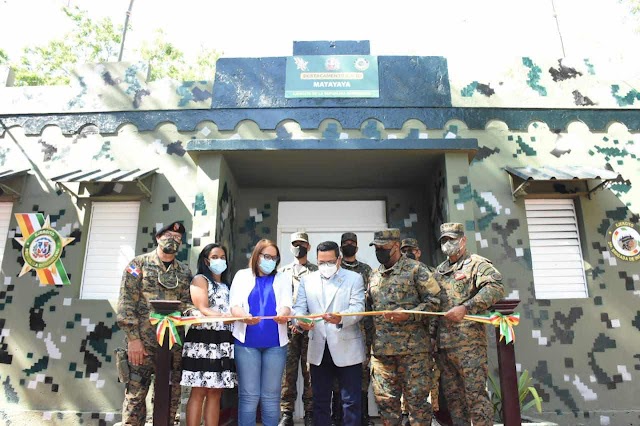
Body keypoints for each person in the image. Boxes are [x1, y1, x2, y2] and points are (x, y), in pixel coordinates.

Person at [116, 221, 193, 426]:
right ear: (158, 238)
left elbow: (186, 303)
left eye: (178, 238)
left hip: (172, 345)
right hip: (143, 344)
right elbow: (126, 304)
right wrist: (133, 340)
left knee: (169, 396)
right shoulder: (138, 265)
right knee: (135, 397)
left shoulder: (184, 272)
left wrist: (194, 312)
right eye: (168, 235)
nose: (173, 240)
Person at [432, 223, 505, 426]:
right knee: (455, 399)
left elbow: (496, 287)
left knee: (475, 396)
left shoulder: (476, 264)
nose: (447, 244)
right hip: (445, 346)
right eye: (444, 240)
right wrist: (432, 338)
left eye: (452, 240)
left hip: (469, 344)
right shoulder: (440, 270)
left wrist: (467, 307)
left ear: (463, 240)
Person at [367, 229, 441, 426]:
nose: (379, 251)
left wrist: (409, 314)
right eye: (377, 248)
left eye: (384, 248)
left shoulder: (417, 270)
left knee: (418, 405)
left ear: (396, 246)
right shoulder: (374, 276)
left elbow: (435, 302)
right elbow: (368, 312)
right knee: (386, 405)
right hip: (382, 354)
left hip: (413, 352)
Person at [293, 241, 365, 426]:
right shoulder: (307, 280)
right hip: (318, 349)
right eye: (321, 262)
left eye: (330, 262)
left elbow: (358, 308)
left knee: (351, 402)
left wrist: (341, 318)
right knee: (320, 402)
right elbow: (299, 309)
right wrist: (301, 322)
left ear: (339, 260)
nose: (326, 266)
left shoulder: (354, 278)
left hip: (347, 346)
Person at [230, 239, 293, 426]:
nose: (271, 261)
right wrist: (242, 316)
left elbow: (287, 305)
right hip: (246, 344)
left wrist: (284, 314)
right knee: (249, 396)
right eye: (267, 256)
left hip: (275, 344)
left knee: (271, 397)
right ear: (257, 256)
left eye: (274, 257)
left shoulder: (283, 278)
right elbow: (234, 305)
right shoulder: (241, 276)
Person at [181, 243, 236, 426]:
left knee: (216, 391)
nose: (219, 260)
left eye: (222, 257)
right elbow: (203, 308)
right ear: (206, 260)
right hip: (204, 340)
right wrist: (225, 316)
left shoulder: (227, 284)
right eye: (214, 257)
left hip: (224, 340)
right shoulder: (200, 279)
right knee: (200, 390)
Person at [278, 232, 317, 426]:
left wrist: (304, 321)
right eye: (295, 244)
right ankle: (287, 413)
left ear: (308, 247)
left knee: (309, 371)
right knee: (288, 372)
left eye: (302, 244)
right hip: (288, 330)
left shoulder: (316, 271)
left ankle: (310, 412)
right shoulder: (283, 272)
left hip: (311, 329)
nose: (298, 247)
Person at [339, 232, 374, 426]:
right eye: (346, 243)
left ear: (357, 247)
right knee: (338, 373)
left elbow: (372, 297)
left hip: (363, 329)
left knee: (362, 372)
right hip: (340, 328)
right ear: (341, 247)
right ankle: (338, 417)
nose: (349, 246)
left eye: (352, 243)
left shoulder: (366, 269)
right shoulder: (336, 268)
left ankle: (363, 416)